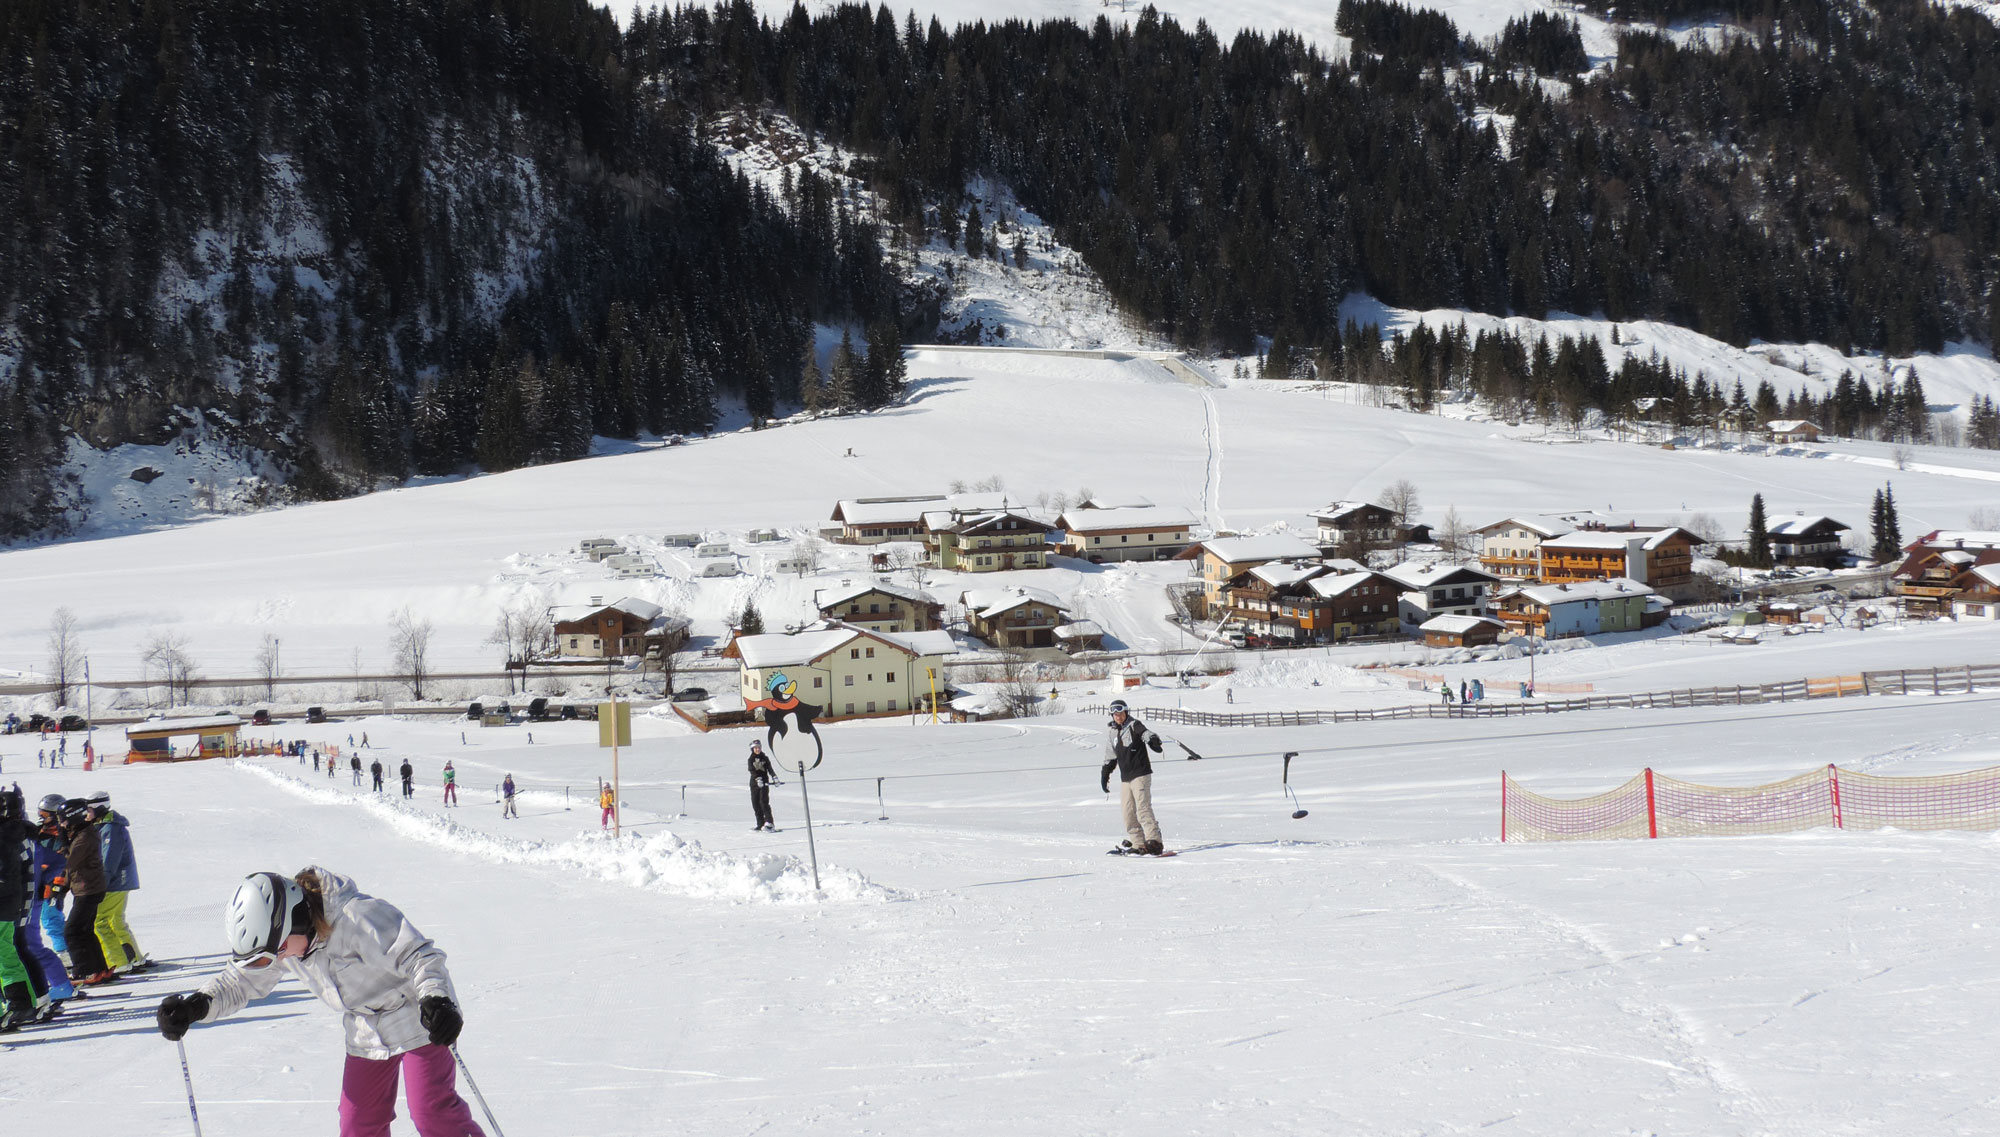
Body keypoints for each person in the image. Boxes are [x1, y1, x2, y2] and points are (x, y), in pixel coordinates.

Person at [154, 869, 486, 1137]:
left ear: (296, 921)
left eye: (279, 951)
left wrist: (438, 1000)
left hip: (418, 1016)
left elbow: (419, 957)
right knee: (358, 1123)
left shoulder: (357, 918)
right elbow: (240, 981)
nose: (279, 960)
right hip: (365, 1029)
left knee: (431, 1112)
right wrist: (197, 1006)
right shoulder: (287, 943)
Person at [1, 784, 56, 1031]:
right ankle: (31, 1001)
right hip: (17, 902)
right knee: (16, 951)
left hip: (15, 903)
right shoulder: (16, 833)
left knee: (16, 952)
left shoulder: (11, 835)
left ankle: (29, 1002)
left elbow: (15, 873)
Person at [57, 800, 116, 986]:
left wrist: (62, 841)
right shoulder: (84, 832)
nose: (62, 824)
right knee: (85, 931)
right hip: (89, 888)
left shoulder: (85, 837)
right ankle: (99, 969)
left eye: (63, 821)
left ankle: (83, 971)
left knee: (71, 931)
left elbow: (70, 862)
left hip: (87, 890)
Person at [88, 791, 146, 972]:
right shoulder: (106, 826)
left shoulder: (110, 829)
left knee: (99, 920)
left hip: (114, 882)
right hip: (120, 881)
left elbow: (109, 860)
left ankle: (117, 962)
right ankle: (133, 957)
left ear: (99, 809)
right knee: (115, 920)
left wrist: (100, 883)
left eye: (89, 810)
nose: (86, 814)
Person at [1100, 699, 1166, 855]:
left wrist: (1152, 740)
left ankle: (1154, 841)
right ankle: (1138, 844)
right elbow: (1110, 755)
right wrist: (1105, 772)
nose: (1118, 717)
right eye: (1115, 714)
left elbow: (1145, 733)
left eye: (1121, 713)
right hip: (1126, 778)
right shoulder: (1113, 733)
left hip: (1140, 774)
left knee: (1143, 808)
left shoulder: (1134, 725)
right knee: (1127, 812)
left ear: (1126, 712)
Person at [748, 741, 779, 832]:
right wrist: (757, 779)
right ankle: (760, 823)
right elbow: (752, 770)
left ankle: (769, 822)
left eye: (759, 747)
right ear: (752, 749)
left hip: (764, 783)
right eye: (755, 748)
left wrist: (774, 776)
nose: (757, 749)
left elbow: (769, 768)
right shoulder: (751, 759)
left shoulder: (764, 758)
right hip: (755, 783)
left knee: (763, 802)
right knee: (755, 803)